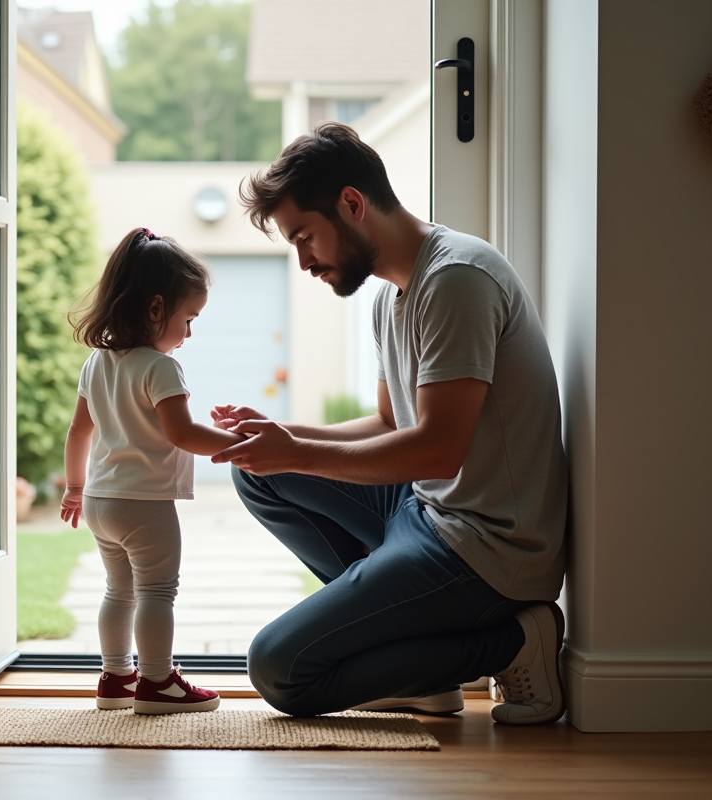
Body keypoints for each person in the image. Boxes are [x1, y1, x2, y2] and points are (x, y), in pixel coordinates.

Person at [210, 122, 569, 725]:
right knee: (257, 471)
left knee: (280, 669)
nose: (303, 262)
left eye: (305, 237)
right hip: (426, 510)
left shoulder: (457, 278)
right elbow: (386, 421)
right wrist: (283, 438)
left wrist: (295, 452)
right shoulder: (390, 296)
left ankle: (513, 643)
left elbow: (437, 451)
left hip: (486, 547)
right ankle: (417, 670)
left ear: (352, 204)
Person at [61, 227, 246, 715]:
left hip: (101, 501)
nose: (189, 334)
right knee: (157, 592)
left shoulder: (97, 362)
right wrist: (241, 445)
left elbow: (79, 431)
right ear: (156, 308)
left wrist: (75, 487)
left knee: (118, 590)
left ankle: (116, 677)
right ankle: (158, 682)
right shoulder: (160, 367)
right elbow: (182, 433)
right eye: (189, 319)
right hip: (144, 505)